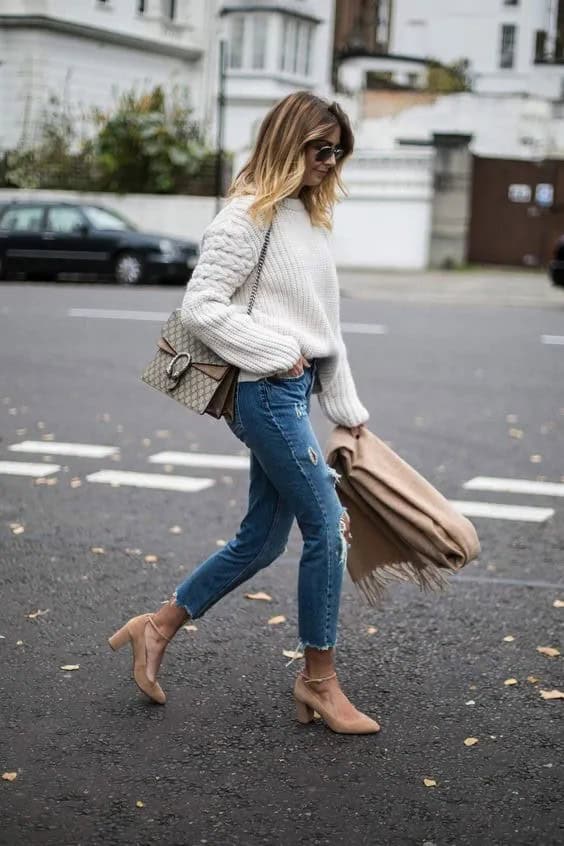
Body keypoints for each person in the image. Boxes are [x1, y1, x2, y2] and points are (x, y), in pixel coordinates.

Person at [109, 91, 380, 734]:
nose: (329, 161)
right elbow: (203, 305)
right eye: (320, 148)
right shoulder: (246, 214)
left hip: (292, 389)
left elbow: (326, 327)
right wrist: (274, 349)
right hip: (263, 391)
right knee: (327, 526)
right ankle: (318, 682)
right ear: (289, 141)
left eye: (338, 151)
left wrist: (345, 406)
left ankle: (157, 626)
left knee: (261, 540)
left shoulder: (308, 218)